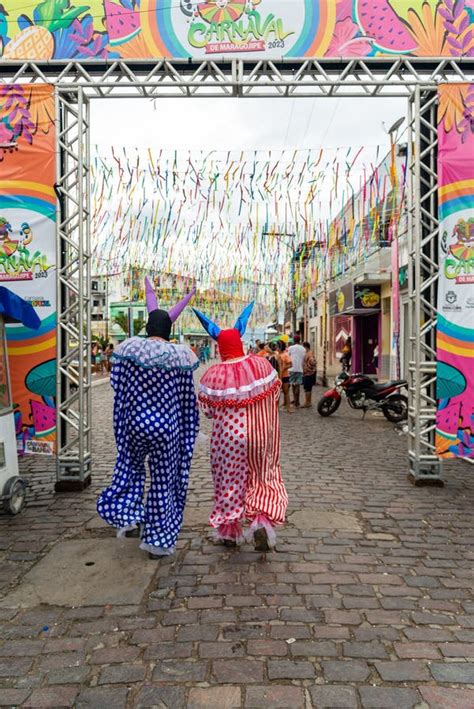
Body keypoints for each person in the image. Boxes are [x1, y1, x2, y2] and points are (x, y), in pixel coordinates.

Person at [96, 278, 199, 559]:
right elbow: (187, 399)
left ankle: (128, 518)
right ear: (169, 330)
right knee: (164, 483)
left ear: (147, 328)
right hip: (167, 430)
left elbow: (117, 386)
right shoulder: (179, 356)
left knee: (130, 471)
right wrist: (187, 431)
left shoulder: (130, 351)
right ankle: (158, 540)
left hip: (135, 426)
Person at [193, 303, 288, 552]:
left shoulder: (214, 375)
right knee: (262, 476)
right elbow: (274, 396)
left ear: (220, 347)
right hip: (259, 434)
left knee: (229, 482)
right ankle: (260, 522)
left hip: (228, 439)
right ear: (241, 339)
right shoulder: (262, 366)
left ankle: (230, 531)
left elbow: (209, 412)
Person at [288, 334, 306, 408]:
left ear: (294, 340)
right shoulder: (303, 349)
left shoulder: (291, 348)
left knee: (293, 384)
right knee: (298, 385)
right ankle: (297, 401)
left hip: (291, 369)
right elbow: (304, 358)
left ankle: (295, 400)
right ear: (300, 340)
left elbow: (288, 356)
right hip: (300, 369)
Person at [277, 339, 293, 414]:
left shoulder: (285, 355)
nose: (276, 348)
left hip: (285, 376)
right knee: (278, 393)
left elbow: (290, 364)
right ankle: (276, 408)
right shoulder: (277, 355)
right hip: (277, 377)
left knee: (286, 392)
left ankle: (288, 407)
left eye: (277, 346)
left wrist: (284, 368)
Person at [302, 341, 317, 408]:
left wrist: (308, 368)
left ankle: (307, 402)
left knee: (307, 389)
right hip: (309, 373)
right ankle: (308, 402)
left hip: (308, 373)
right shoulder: (309, 353)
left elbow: (313, 362)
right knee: (308, 389)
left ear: (306, 347)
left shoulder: (309, 354)